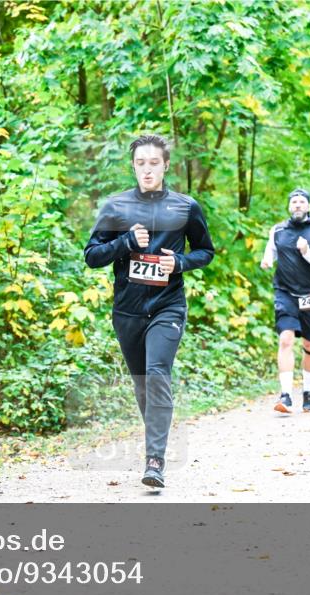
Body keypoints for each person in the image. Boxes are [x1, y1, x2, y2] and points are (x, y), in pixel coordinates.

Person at [84, 134, 215, 488]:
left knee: (157, 374)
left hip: (167, 306)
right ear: (133, 166)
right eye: (140, 163)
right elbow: (92, 256)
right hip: (127, 310)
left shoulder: (186, 207)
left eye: (153, 163)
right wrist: (126, 242)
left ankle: (154, 461)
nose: (147, 170)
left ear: (166, 165)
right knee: (143, 386)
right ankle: (157, 438)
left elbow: (206, 252)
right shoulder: (116, 207)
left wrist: (180, 263)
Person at [260, 188, 310, 413]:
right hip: (285, 293)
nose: (298, 205)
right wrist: (266, 261)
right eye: (294, 202)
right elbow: (271, 252)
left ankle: (308, 392)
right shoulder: (278, 230)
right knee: (285, 339)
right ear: (289, 206)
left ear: (309, 206)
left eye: (302, 201)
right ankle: (285, 395)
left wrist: (307, 253)